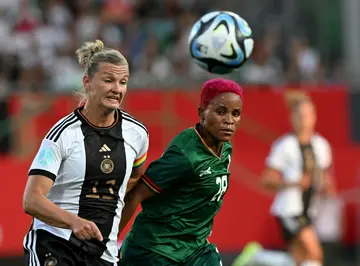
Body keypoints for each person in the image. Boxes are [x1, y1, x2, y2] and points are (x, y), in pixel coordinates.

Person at [22, 39, 149, 266]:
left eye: (123, 82)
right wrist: (73, 222)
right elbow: (31, 200)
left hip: (102, 253)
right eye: (108, 80)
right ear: (87, 82)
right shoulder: (61, 134)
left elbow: (135, 179)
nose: (117, 89)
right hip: (54, 244)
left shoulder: (137, 134)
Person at [117, 78, 243, 266]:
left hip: (195, 249)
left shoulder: (225, 148)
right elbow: (135, 195)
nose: (229, 121)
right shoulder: (184, 156)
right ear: (201, 113)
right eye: (220, 112)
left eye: (236, 114)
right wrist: (106, 243)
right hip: (155, 251)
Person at [233, 96, 334, 266]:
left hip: (309, 210)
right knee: (315, 254)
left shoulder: (322, 146)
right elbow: (266, 180)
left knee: (300, 261)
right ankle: (258, 257)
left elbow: (325, 177)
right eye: (300, 115)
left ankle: (258, 257)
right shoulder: (285, 145)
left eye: (308, 115)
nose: (304, 120)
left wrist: (327, 186)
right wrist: (294, 184)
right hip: (289, 210)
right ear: (292, 118)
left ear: (315, 116)